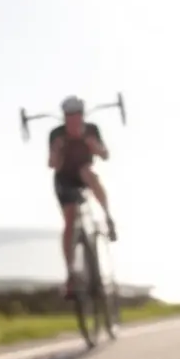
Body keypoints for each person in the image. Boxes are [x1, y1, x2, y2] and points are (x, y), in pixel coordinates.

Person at [47, 95, 117, 296]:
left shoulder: (92, 129)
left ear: (82, 116)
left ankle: (108, 216)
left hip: (84, 175)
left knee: (89, 173)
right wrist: (57, 150)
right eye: (69, 117)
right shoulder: (56, 134)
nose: (73, 121)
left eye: (76, 116)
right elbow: (52, 165)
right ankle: (70, 273)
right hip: (64, 180)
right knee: (70, 220)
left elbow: (105, 155)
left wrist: (94, 145)